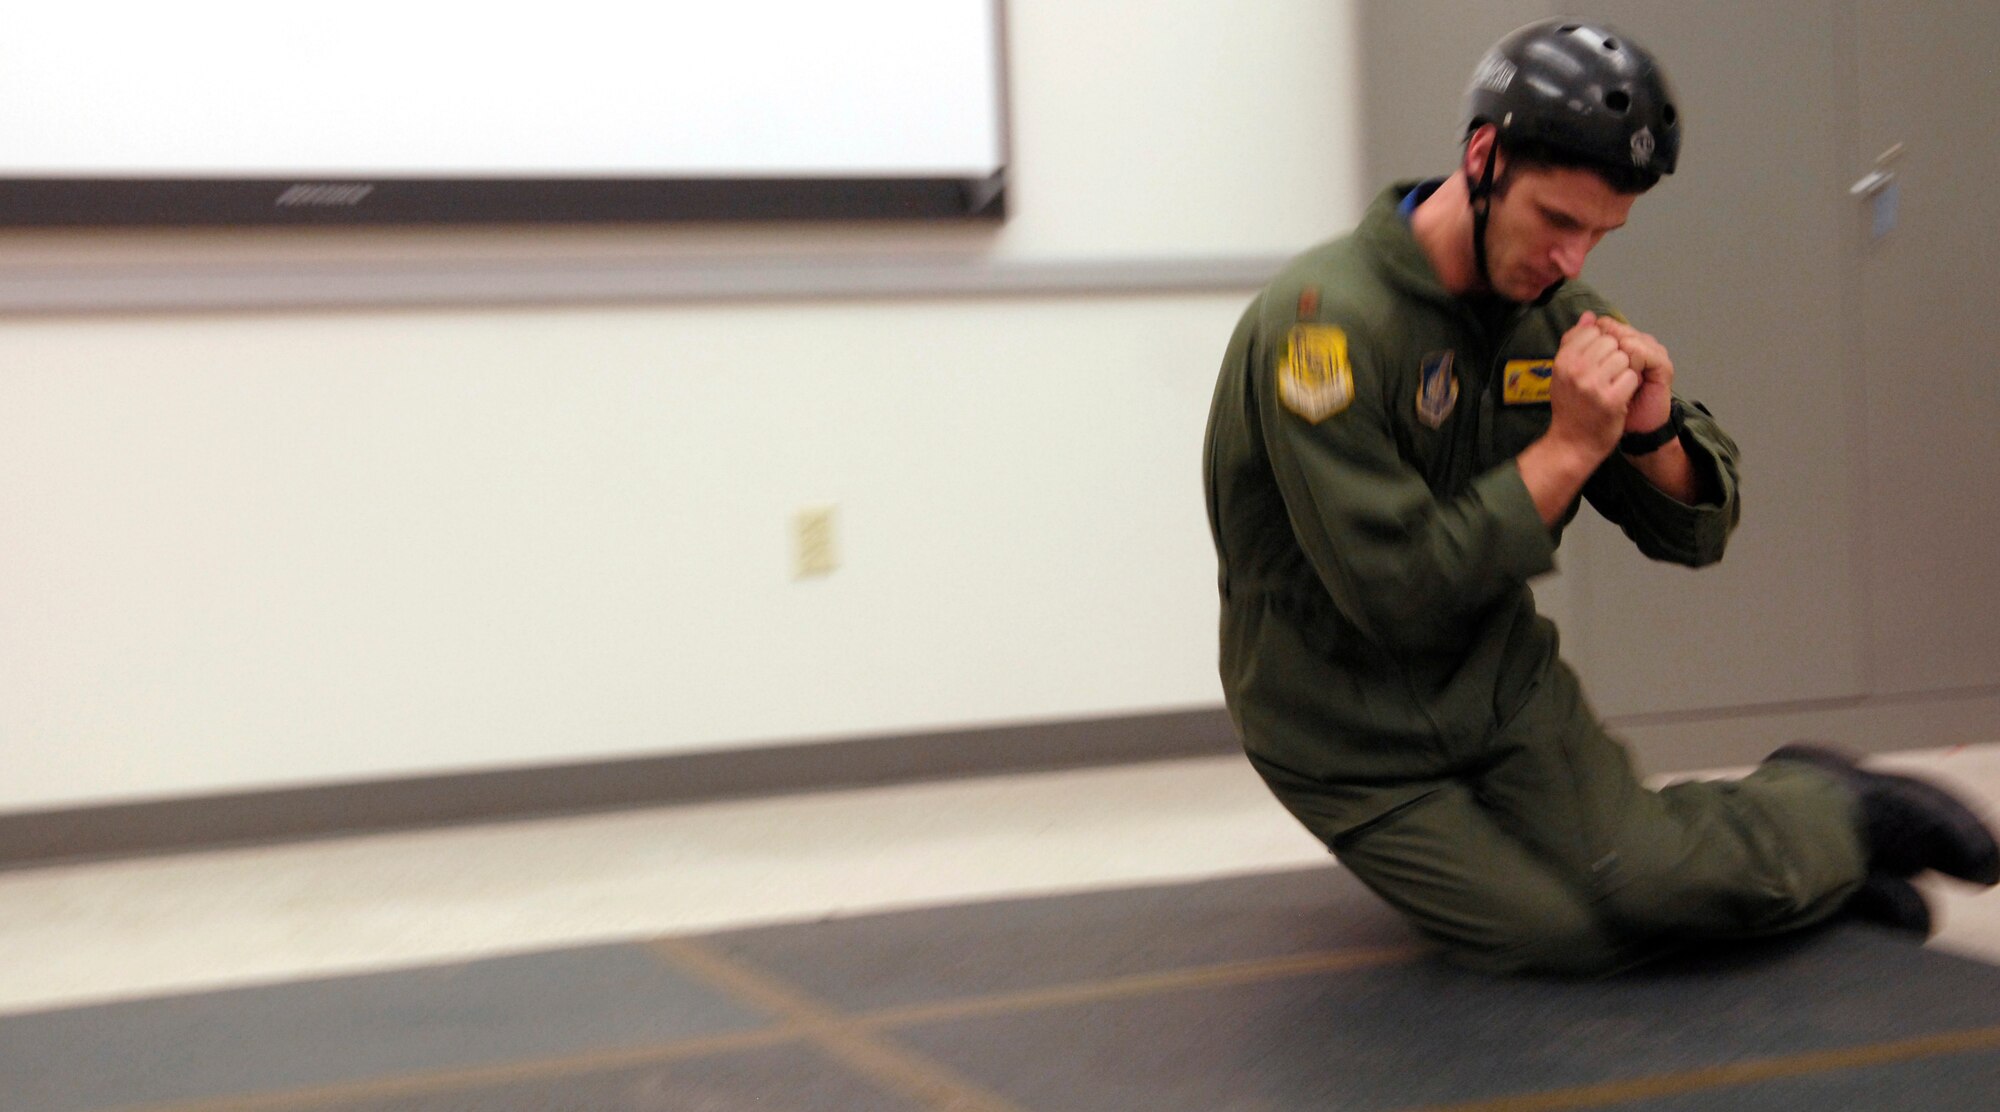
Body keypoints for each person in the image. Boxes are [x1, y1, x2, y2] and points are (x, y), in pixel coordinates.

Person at [1201, 19, 1998, 975]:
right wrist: (1573, 445)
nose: (1573, 261)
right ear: (1484, 157)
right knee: (1553, 934)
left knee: (1647, 880)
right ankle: (1795, 865)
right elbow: (1395, 589)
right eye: (1557, 221)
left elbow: (1696, 535)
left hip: (1498, 688)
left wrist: (1652, 431)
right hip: (1344, 735)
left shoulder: (1563, 319)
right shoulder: (1322, 329)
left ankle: (1827, 808)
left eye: (1601, 234)